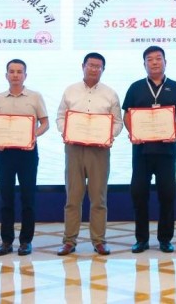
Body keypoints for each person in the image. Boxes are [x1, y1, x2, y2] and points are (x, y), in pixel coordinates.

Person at [122, 45, 176, 253]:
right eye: (149, 59)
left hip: (166, 152)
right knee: (139, 195)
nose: (154, 62)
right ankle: (141, 239)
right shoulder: (135, 87)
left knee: (167, 196)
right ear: (144, 64)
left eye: (158, 58)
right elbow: (127, 114)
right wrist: (133, 132)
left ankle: (165, 239)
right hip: (141, 151)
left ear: (165, 62)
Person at [55, 53, 123, 256]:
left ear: (103, 69)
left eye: (98, 66)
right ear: (83, 66)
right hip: (74, 149)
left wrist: (108, 135)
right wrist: (66, 132)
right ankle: (69, 241)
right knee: (73, 198)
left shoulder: (110, 94)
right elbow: (60, 117)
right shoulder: (70, 91)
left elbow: (118, 122)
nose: (94, 69)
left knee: (98, 198)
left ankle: (99, 241)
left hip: (99, 151)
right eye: (90, 65)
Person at [0, 59, 49, 256]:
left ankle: (26, 241)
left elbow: (45, 123)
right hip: (4, 154)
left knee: (28, 198)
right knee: (6, 198)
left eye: (19, 71)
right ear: (6, 75)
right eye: (12, 71)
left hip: (27, 153)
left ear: (25, 75)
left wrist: (33, 135)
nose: (15, 75)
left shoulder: (35, 97)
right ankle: (6, 241)